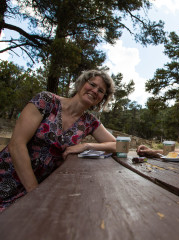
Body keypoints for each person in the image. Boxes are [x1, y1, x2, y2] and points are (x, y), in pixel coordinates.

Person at [0, 70, 117, 211]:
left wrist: (87, 146)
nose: (95, 91)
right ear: (81, 84)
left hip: (40, 186)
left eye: (100, 91)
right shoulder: (46, 101)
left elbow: (121, 145)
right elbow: (16, 144)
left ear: (101, 99)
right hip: (9, 174)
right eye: (92, 84)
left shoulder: (89, 122)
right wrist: (34, 192)